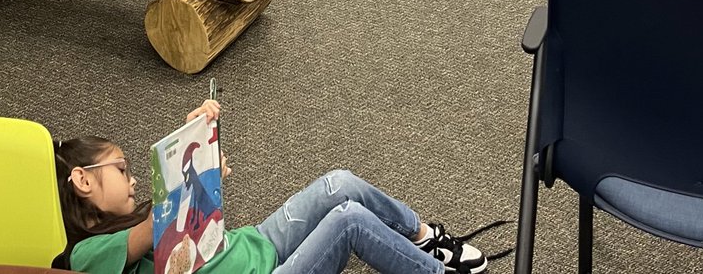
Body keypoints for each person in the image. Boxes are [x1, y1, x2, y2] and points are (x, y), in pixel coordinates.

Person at [54, 99, 490, 274]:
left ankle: (423, 238)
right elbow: (156, 229)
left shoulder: (145, 213)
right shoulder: (86, 255)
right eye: (121, 168)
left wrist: (197, 152)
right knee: (350, 220)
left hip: (255, 245)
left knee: (338, 184)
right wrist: (190, 158)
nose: (131, 179)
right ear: (83, 179)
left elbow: (185, 223)